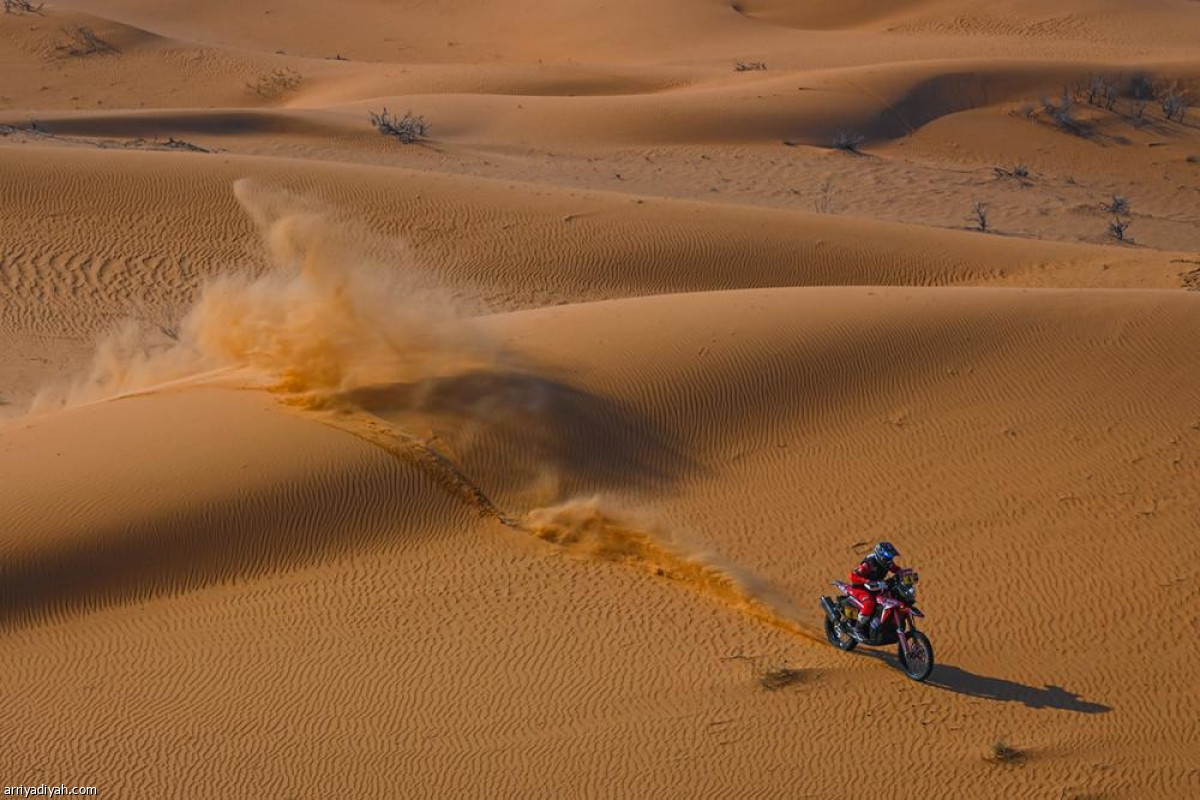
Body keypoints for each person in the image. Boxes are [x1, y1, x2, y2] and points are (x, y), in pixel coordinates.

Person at [847, 541, 902, 640]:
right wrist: (866, 581)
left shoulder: (887, 563)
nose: (890, 559)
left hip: (876, 587)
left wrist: (904, 574)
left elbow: (896, 569)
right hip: (861, 588)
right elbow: (853, 576)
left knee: (892, 596)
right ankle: (859, 628)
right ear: (880, 555)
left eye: (891, 557)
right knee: (870, 603)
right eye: (887, 556)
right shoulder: (868, 564)